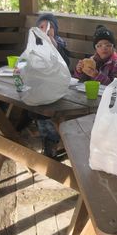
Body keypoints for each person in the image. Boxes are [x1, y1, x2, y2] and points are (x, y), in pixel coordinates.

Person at [33, 14, 70, 157]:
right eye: (42, 27)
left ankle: (53, 141)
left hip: (58, 88)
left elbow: (67, 65)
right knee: (38, 112)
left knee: (50, 112)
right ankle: (47, 141)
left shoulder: (59, 44)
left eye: (50, 27)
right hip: (40, 87)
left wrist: (54, 46)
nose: (46, 30)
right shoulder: (35, 45)